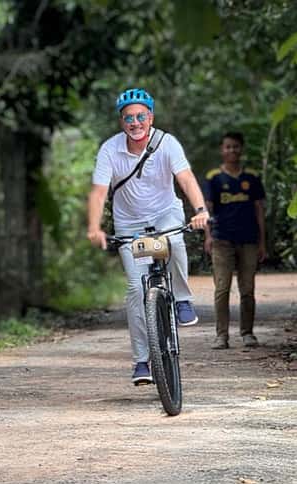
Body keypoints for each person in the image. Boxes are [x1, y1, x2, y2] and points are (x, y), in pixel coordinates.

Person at [87, 88, 209, 386]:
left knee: (176, 241)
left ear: (151, 117)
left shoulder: (167, 144)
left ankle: (182, 299)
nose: (135, 122)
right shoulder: (110, 150)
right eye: (129, 118)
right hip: (129, 224)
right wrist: (94, 227)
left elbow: (186, 179)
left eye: (141, 116)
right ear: (121, 122)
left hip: (165, 215)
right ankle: (142, 361)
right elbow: (99, 191)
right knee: (135, 290)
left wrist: (201, 210)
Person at [202, 132, 266, 349]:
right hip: (222, 239)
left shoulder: (252, 177)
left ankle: (247, 333)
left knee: (247, 289)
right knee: (222, 288)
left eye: (236, 147)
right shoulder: (214, 178)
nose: (232, 151)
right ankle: (222, 335)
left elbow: (259, 210)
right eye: (228, 147)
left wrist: (262, 242)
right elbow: (207, 210)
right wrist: (208, 236)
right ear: (222, 150)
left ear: (241, 149)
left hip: (248, 239)